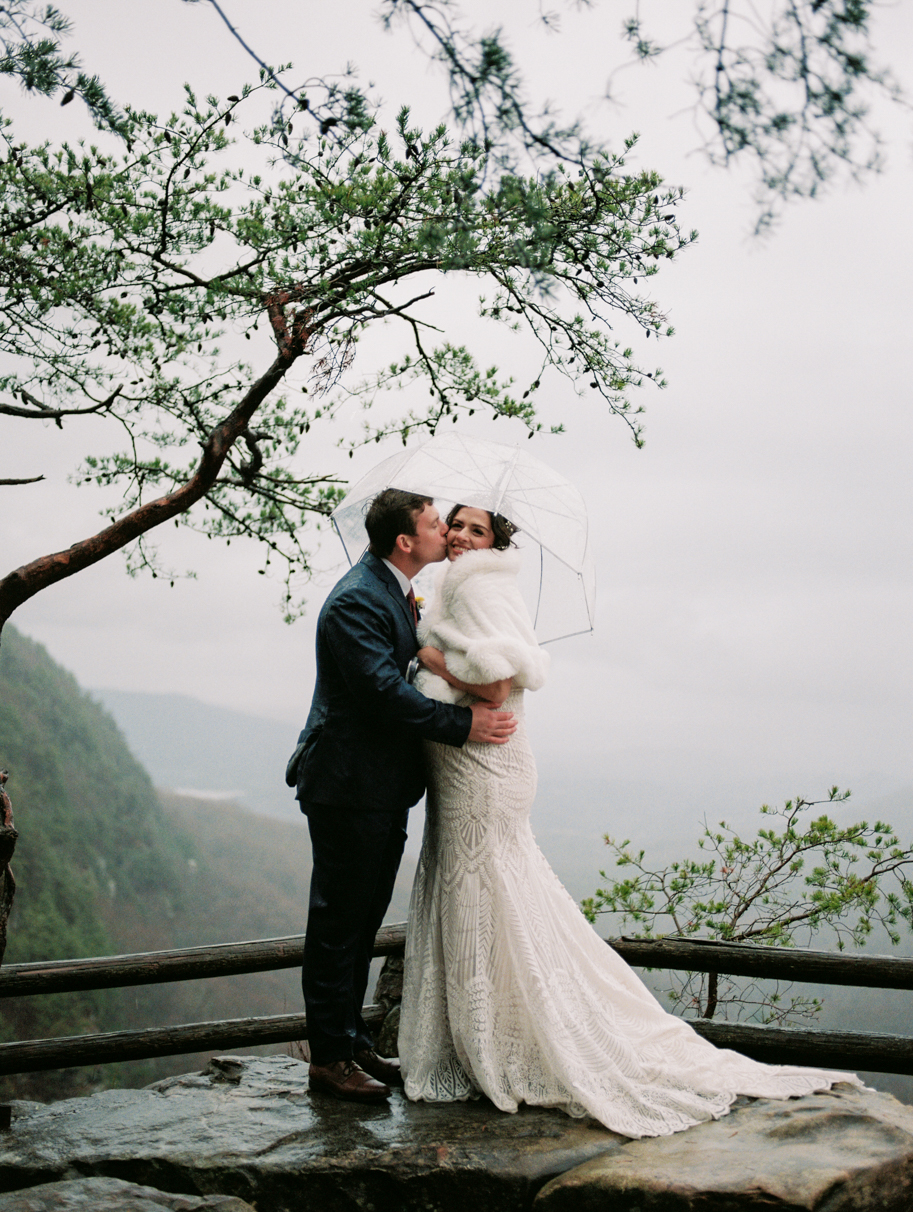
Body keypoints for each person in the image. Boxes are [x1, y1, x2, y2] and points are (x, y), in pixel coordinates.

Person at [398, 503, 860, 1138]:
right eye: (455, 524)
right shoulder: (456, 588)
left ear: (494, 542)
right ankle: (485, 1035)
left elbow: (496, 688)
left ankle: (503, 1042)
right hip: (467, 772)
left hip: (484, 771)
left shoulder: (479, 584)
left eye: (476, 529)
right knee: (487, 894)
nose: (459, 535)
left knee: (487, 894)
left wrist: (430, 658)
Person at [290, 489, 517, 1105]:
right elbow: (384, 694)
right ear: (405, 541)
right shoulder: (357, 600)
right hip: (348, 787)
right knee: (339, 924)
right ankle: (330, 1061)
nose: (447, 530)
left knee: (362, 920)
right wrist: (464, 727)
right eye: (436, 522)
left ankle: (350, 1039)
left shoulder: (394, 588)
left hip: (379, 787)